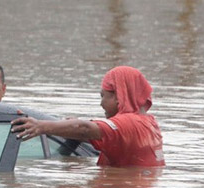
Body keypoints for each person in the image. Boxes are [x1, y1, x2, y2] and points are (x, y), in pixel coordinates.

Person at [11, 66, 165, 167]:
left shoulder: (129, 124)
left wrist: (40, 126)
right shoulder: (148, 123)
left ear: (118, 97)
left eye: (103, 96)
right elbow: (93, 133)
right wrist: (66, 128)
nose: (101, 104)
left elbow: (84, 128)